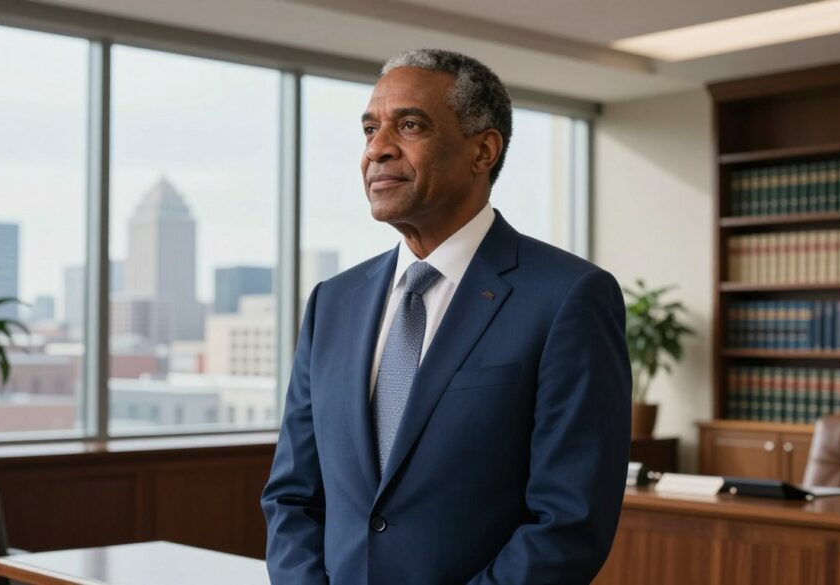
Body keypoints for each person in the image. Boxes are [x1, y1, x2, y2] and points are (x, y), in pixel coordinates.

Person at [262, 48, 631, 585]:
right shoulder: (331, 303)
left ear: (483, 151)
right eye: (370, 129)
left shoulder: (569, 298)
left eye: (408, 125)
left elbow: (567, 522)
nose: (377, 150)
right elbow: (293, 496)